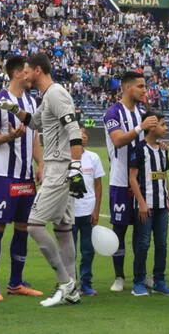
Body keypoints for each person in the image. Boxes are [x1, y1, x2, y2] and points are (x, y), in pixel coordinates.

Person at [0, 52, 86, 307]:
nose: (24, 74)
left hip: (59, 167)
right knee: (64, 230)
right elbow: (35, 123)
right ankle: (73, 288)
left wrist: (76, 169)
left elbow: (74, 129)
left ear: (37, 70)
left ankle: (64, 281)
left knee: (34, 225)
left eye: (26, 70)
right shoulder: (48, 96)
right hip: (61, 166)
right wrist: (14, 109)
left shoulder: (56, 94)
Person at [0, 55, 44, 301]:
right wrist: (11, 136)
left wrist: (40, 164)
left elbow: (35, 136)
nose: (30, 76)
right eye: (27, 71)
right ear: (18, 73)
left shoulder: (31, 101)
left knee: (22, 228)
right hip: (4, 177)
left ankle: (16, 283)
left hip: (26, 178)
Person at [103, 71, 158, 293]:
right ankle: (119, 276)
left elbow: (147, 143)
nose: (145, 90)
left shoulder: (143, 113)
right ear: (127, 88)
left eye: (145, 86)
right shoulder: (113, 112)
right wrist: (140, 128)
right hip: (119, 182)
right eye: (140, 86)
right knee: (119, 230)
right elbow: (117, 140)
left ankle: (141, 275)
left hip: (141, 182)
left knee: (142, 233)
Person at [129, 111, 169, 296]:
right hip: (145, 205)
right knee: (143, 243)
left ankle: (159, 281)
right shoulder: (140, 149)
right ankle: (139, 282)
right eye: (162, 124)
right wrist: (141, 203)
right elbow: (132, 178)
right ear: (151, 127)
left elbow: (164, 176)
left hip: (161, 206)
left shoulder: (163, 149)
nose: (166, 128)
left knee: (162, 244)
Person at [72, 125, 105, 296]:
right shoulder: (65, 157)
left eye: (85, 133)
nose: (83, 135)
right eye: (79, 133)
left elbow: (98, 185)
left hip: (87, 211)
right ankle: (70, 284)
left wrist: (96, 211)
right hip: (68, 213)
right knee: (69, 252)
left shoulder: (93, 157)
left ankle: (85, 283)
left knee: (87, 250)